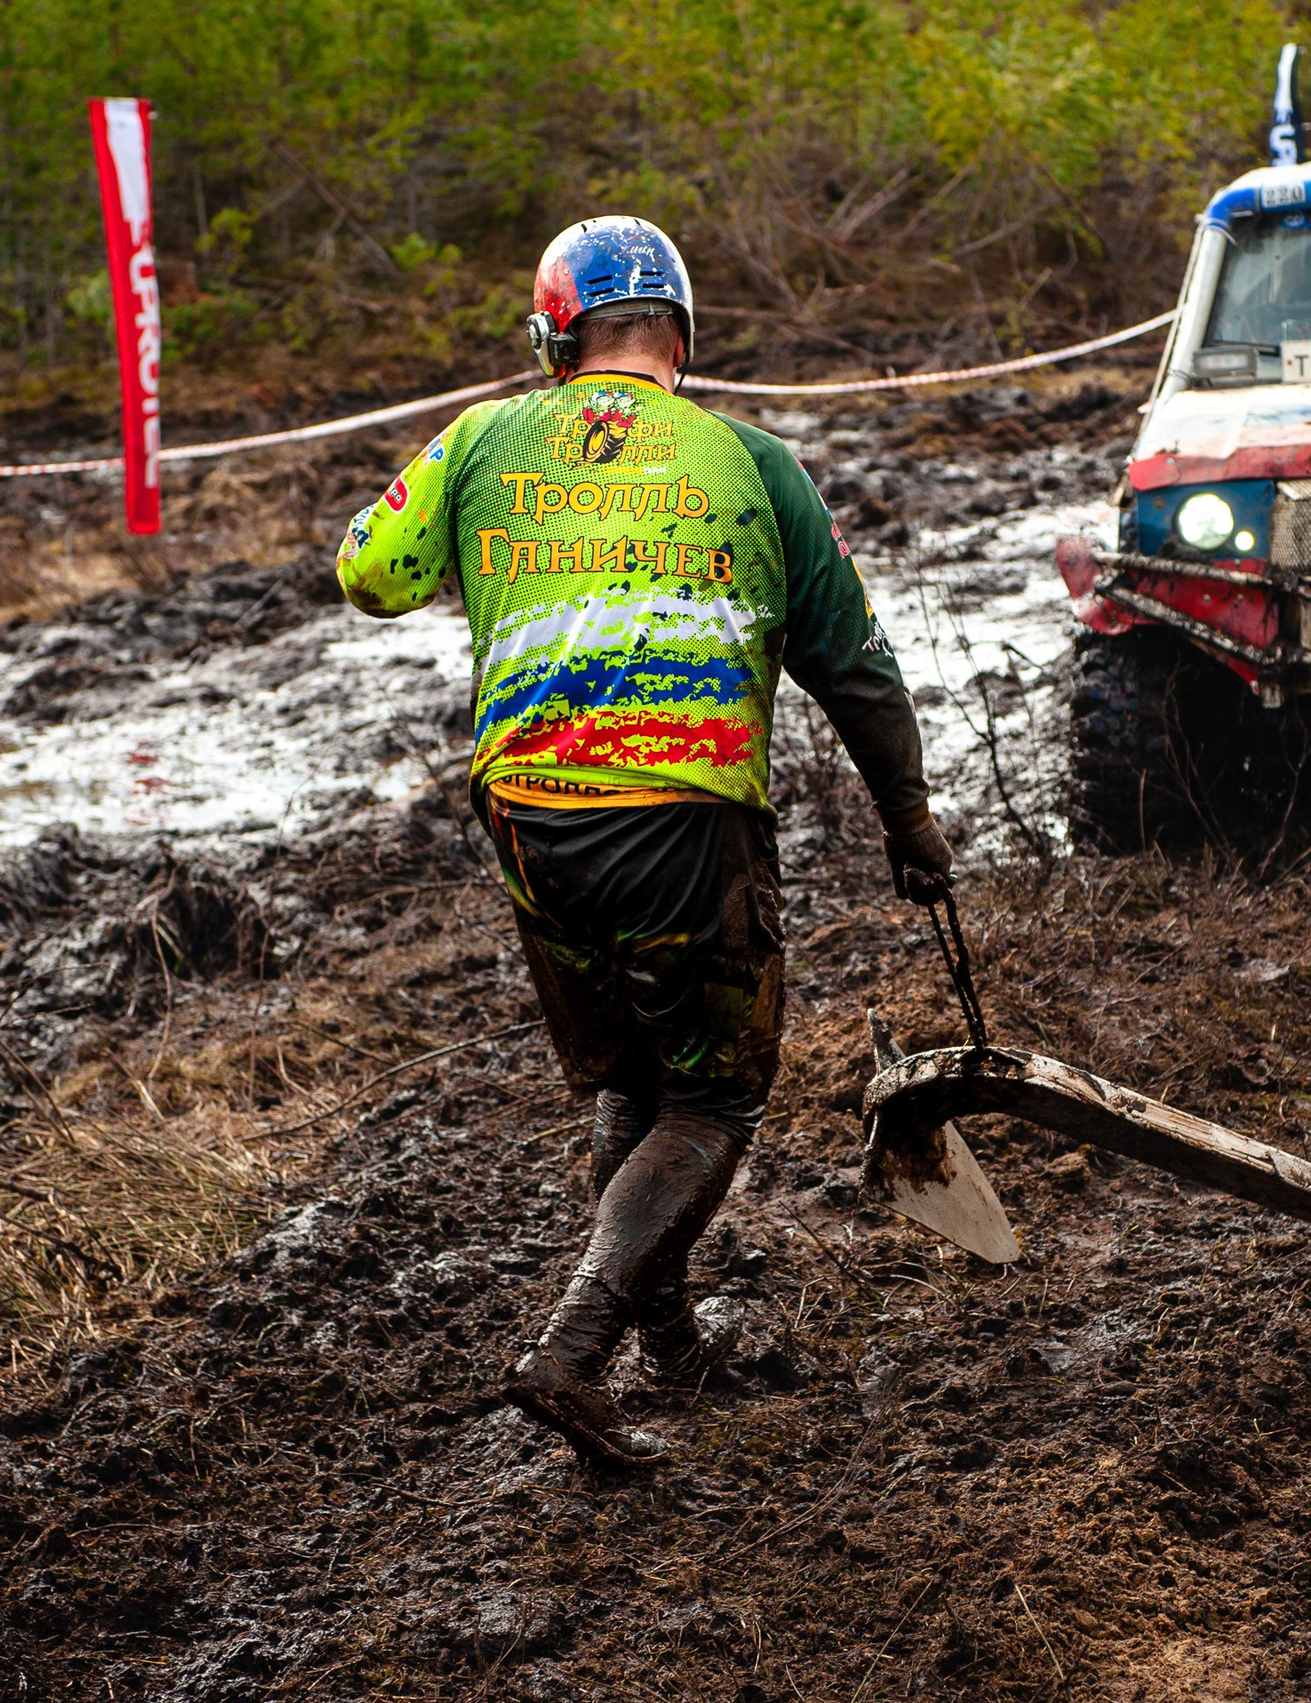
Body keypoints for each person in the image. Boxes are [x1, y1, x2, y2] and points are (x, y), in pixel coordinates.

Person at [334, 216, 956, 1467]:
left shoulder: (479, 441)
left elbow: (370, 573)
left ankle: (670, 1349)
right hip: (682, 807)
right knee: (714, 1092)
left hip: (522, 816)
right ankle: (571, 1350)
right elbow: (858, 664)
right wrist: (909, 817)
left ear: (552, 334)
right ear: (679, 330)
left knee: (633, 1081)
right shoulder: (752, 462)